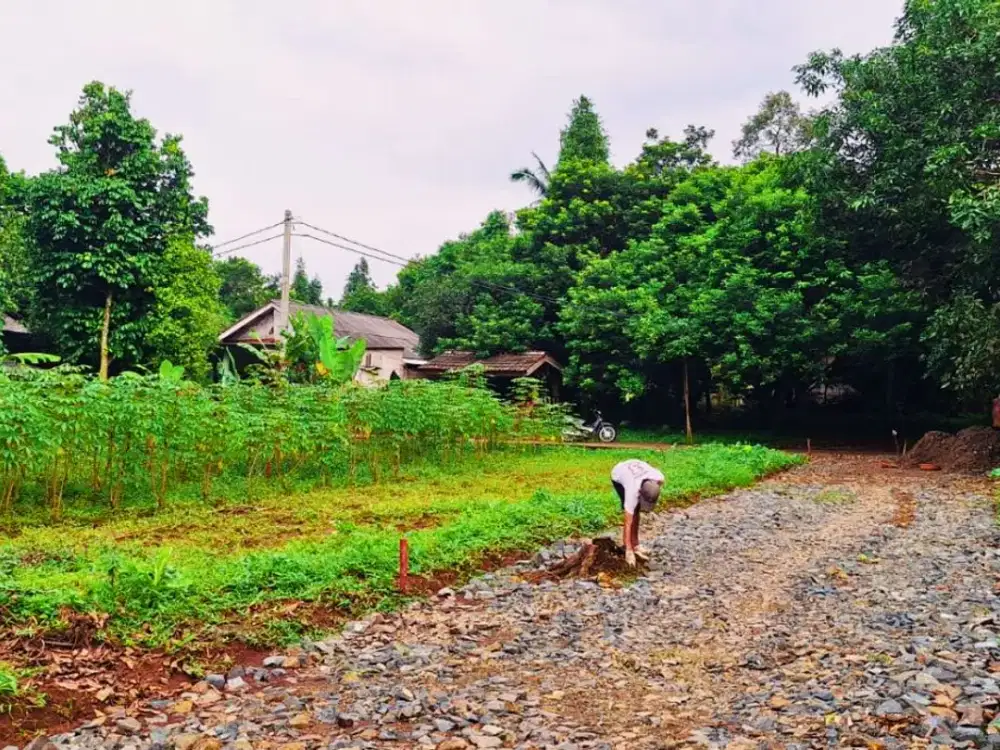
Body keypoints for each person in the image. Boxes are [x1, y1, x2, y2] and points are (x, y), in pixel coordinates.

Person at [611, 458, 664, 568]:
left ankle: (636, 544)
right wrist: (628, 551)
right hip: (618, 473)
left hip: (635, 469)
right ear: (639, 492)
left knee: (637, 509)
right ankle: (630, 546)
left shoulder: (658, 477)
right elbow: (627, 522)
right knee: (633, 511)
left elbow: (659, 484)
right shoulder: (632, 490)